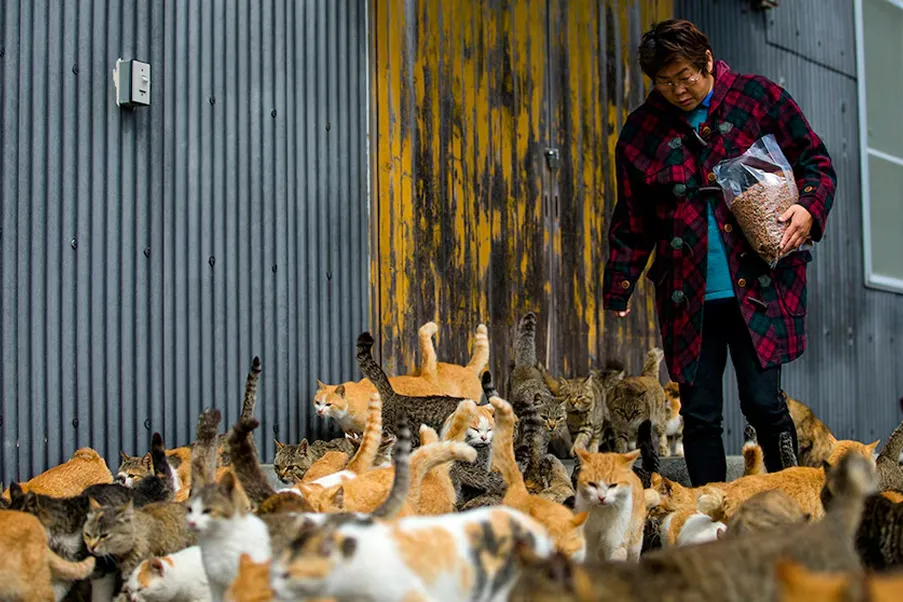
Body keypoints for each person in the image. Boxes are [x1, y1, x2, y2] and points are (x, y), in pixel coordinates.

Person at [602, 19, 836, 486]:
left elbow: (816, 162)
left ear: (707, 60)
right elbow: (632, 217)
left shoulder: (758, 98)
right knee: (700, 412)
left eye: (685, 76)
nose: (678, 90)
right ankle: (709, 513)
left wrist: (808, 208)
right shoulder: (641, 131)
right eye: (665, 82)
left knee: (764, 403)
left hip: (760, 284)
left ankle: (789, 497)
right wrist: (621, 283)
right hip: (687, 295)